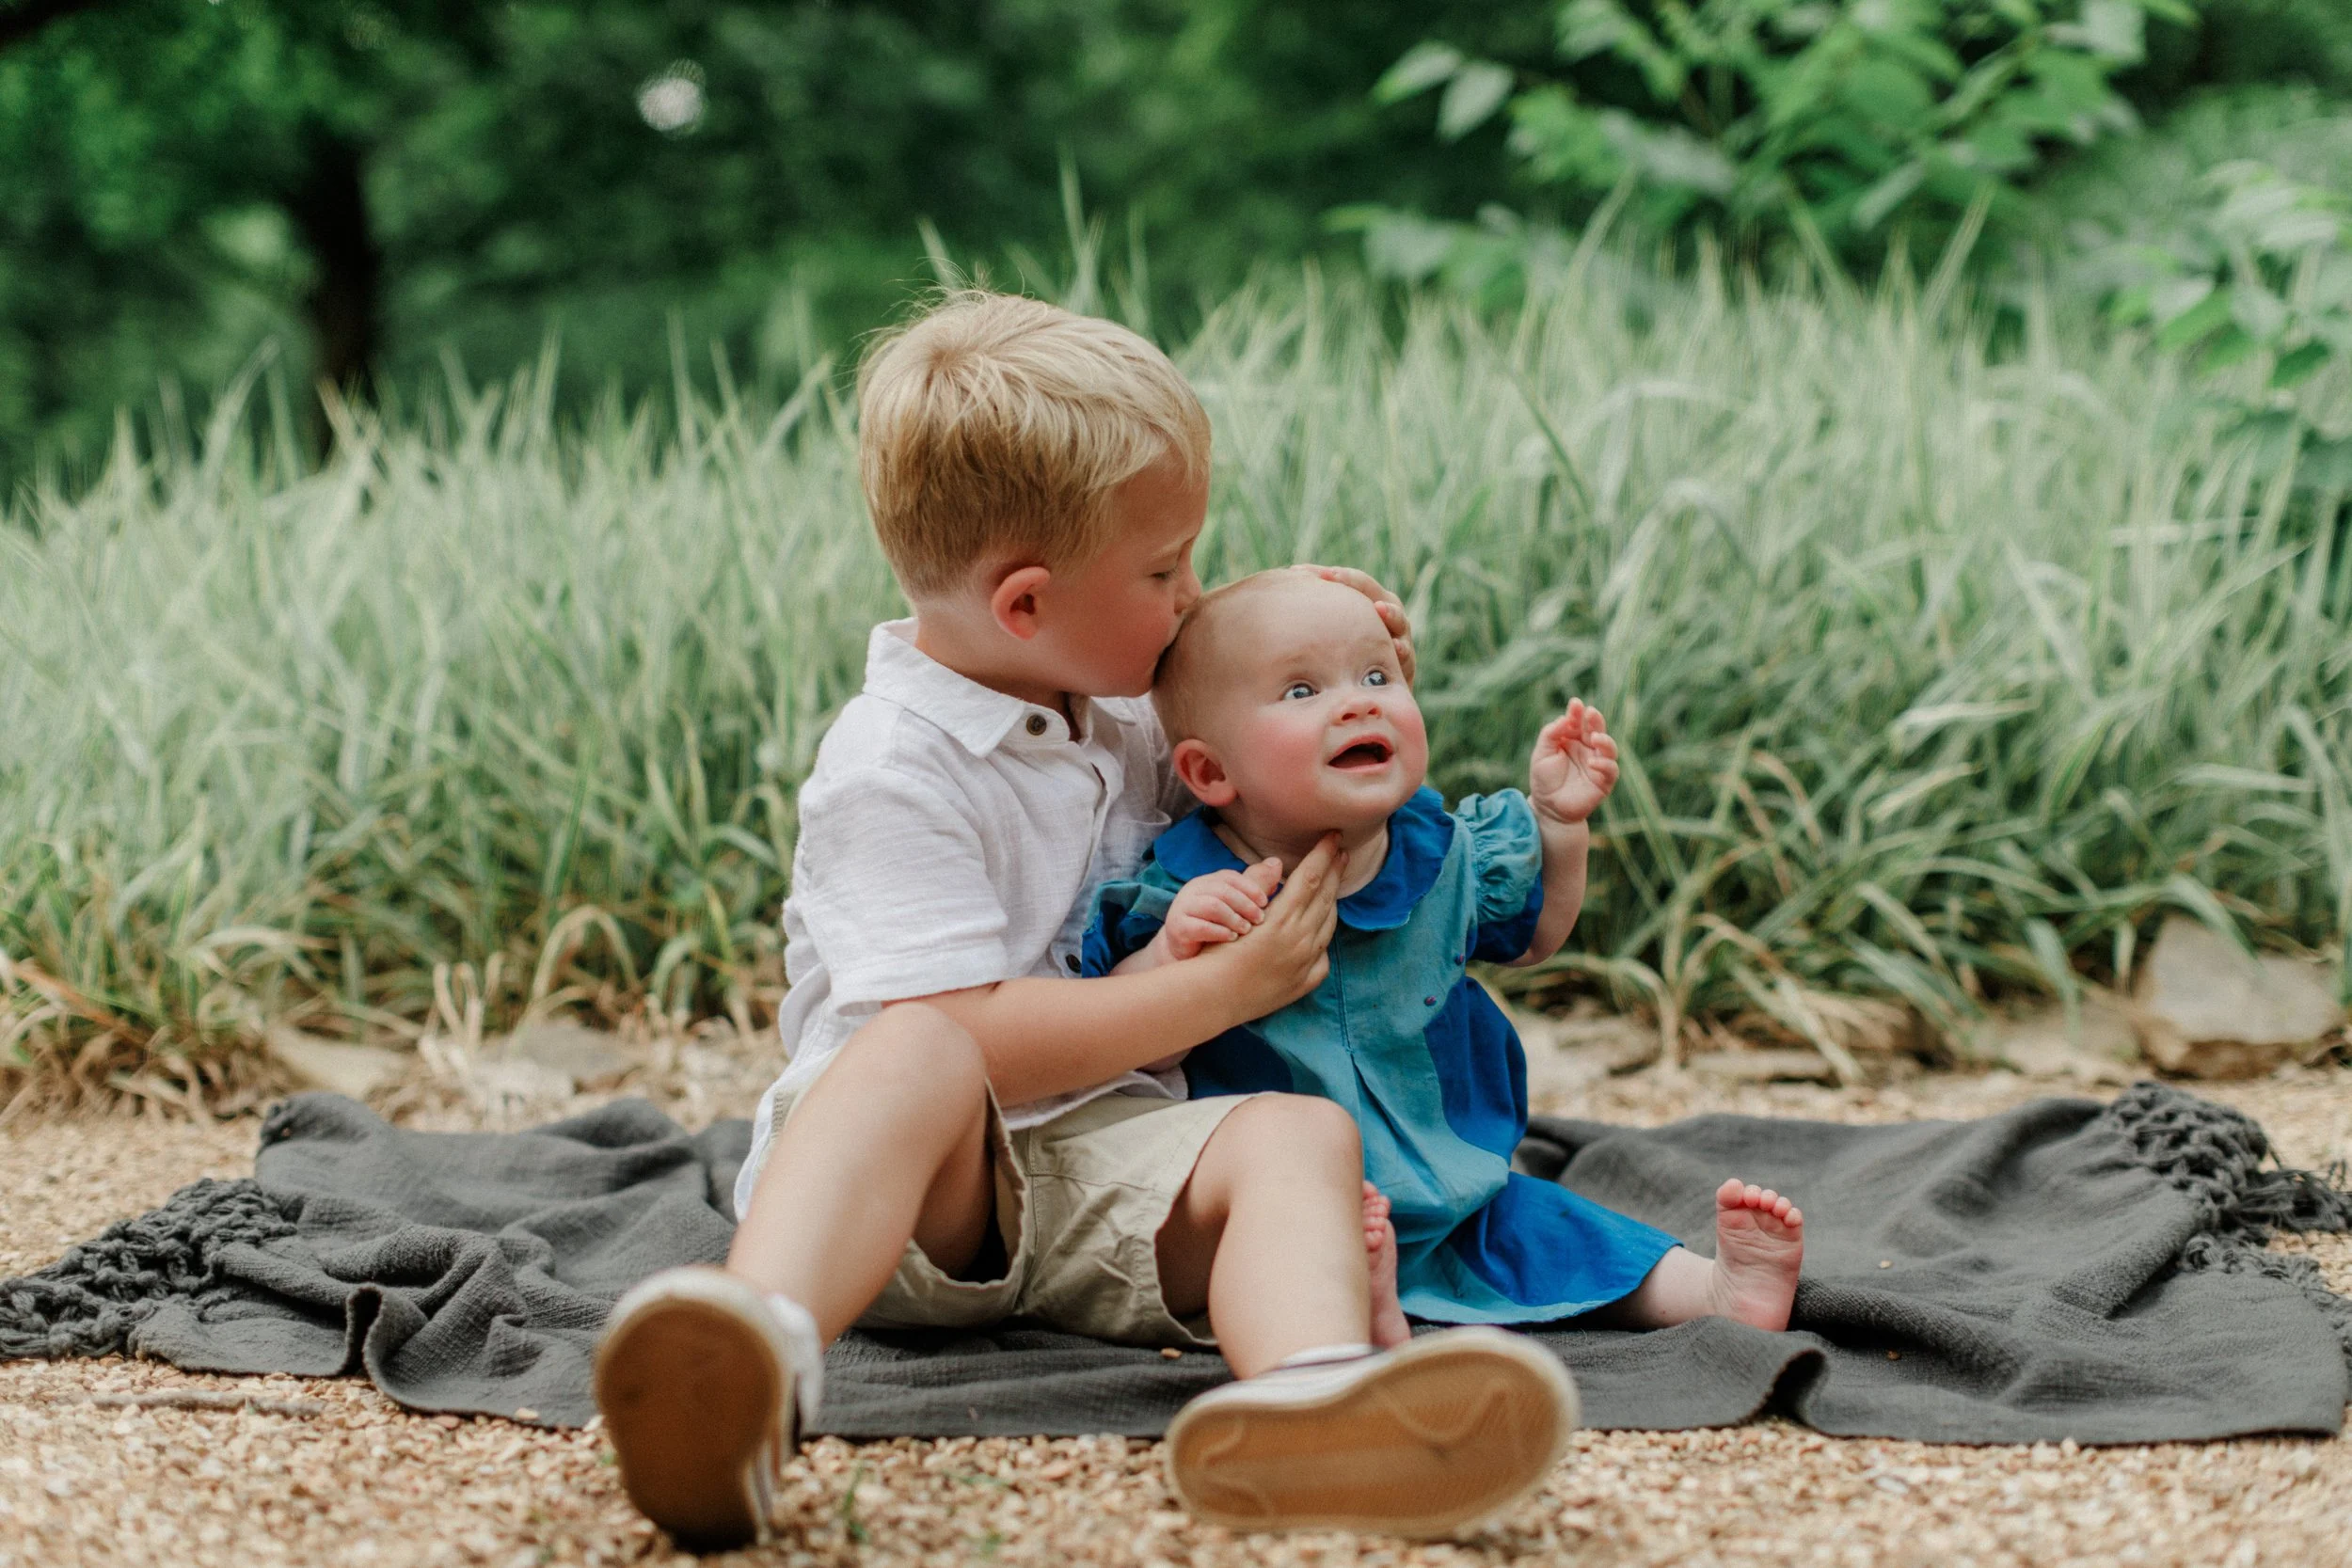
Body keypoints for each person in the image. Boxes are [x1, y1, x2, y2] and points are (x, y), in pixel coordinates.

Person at [592, 293, 1579, 1552]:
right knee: (921, 1045)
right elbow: (976, 1037)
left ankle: (1310, 1396)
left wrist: (1333, 643)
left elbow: (1256, 753)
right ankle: (756, 1347)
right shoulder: (892, 763)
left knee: (1298, 1134)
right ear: (1024, 605)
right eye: (1167, 570)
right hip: (917, 1190)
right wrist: (1220, 993)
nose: (1192, 591)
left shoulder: (1112, 697)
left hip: (1112, 1161)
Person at [1085, 568, 1806, 1336]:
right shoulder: (1189, 889)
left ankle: (1716, 1289)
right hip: (1290, 1199)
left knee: (1563, 1235)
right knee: (1299, 1254)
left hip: (1458, 1189)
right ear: (1209, 772)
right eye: (1302, 691)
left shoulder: (1447, 854)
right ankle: (1359, 1304)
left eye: (1376, 675)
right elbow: (1130, 1040)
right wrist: (1168, 954)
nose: (1358, 701)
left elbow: (1534, 938)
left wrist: (1561, 824)